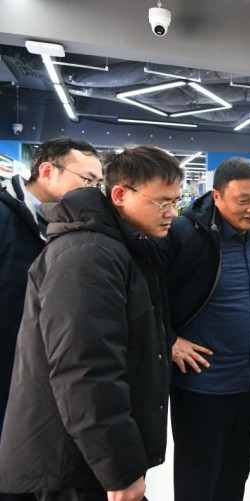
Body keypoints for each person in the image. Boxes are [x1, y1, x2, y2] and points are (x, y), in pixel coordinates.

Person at [0, 145, 183, 501]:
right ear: (120, 195)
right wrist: (120, 470)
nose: (171, 213)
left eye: (175, 202)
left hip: (86, 455)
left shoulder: (118, 246)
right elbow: (86, 371)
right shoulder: (88, 255)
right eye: (162, 202)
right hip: (73, 463)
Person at [156, 157, 250, 501]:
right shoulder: (184, 233)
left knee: (235, 474)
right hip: (202, 383)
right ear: (217, 196)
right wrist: (169, 340)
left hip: (248, 378)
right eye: (244, 200)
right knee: (198, 480)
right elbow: (145, 292)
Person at [0, 137, 101, 501]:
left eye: (98, 183)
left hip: (46, 373)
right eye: (86, 179)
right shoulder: (7, 218)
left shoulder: (68, 224)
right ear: (47, 171)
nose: (93, 191)